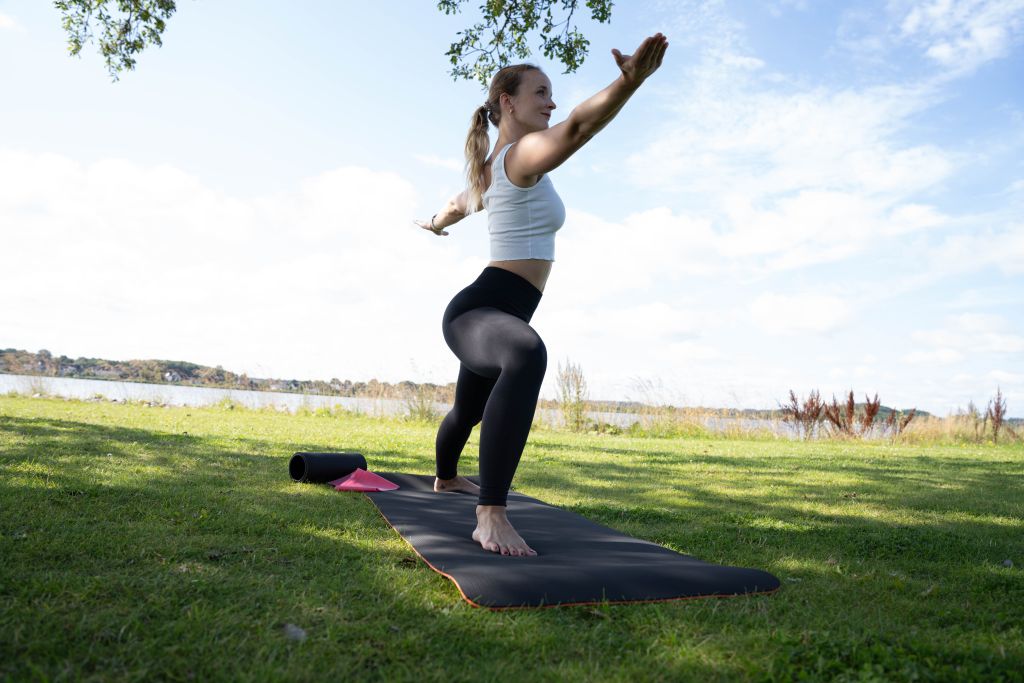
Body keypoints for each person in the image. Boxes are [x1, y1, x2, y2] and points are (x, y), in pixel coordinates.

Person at [412, 33, 669, 556]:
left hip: (495, 311)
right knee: (526, 352)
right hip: (481, 309)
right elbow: (578, 126)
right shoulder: (524, 154)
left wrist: (436, 223)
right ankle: (490, 514)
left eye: (552, 93)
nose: (551, 101)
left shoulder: (493, 168)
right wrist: (628, 81)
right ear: (508, 102)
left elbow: (459, 203)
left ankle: (445, 478)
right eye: (541, 92)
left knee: (468, 410)